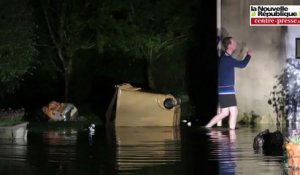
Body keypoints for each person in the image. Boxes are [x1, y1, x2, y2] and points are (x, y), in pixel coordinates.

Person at [205, 36, 252, 130]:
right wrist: (249, 55)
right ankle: (232, 133)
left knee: (225, 113)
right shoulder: (227, 59)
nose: (235, 44)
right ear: (229, 45)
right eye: (234, 43)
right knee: (234, 112)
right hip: (227, 89)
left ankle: (206, 128)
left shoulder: (224, 57)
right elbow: (242, 65)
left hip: (223, 89)